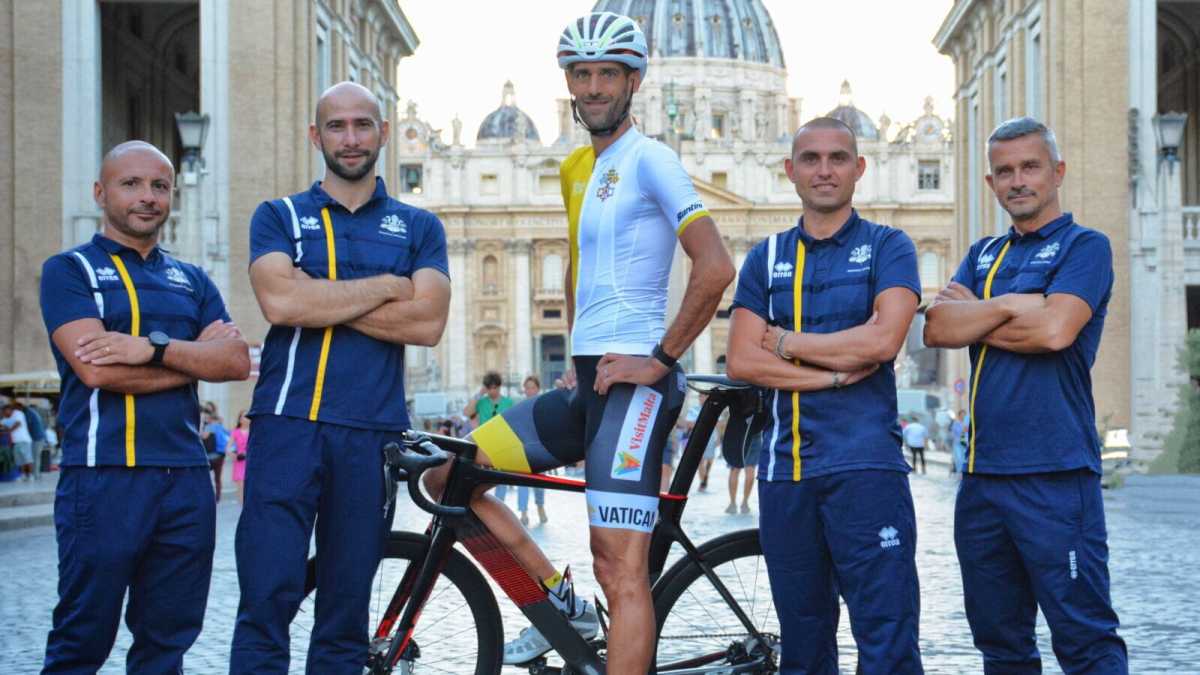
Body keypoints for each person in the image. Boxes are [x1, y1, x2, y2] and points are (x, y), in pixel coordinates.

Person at [425, 12, 735, 671]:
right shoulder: (574, 168)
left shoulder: (653, 159)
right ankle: (561, 606)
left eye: (607, 75)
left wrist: (660, 358)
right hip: (589, 382)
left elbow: (715, 267)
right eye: (582, 74)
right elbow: (576, 265)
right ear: (569, 82)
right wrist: (573, 355)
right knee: (449, 474)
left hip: (637, 385)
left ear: (633, 82)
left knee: (619, 564)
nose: (594, 87)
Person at [231, 81, 451, 674]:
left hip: (371, 433)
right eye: (336, 126)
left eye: (362, 125)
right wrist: (384, 286)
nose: (350, 138)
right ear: (315, 135)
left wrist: (317, 294)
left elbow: (428, 322)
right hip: (286, 425)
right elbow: (280, 305)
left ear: (382, 132)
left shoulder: (419, 226)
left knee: (345, 612)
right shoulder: (278, 216)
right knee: (266, 598)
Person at [924, 116, 1128, 673]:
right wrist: (1020, 304)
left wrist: (977, 313)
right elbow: (937, 329)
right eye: (1005, 171)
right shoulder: (983, 254)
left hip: (1056, 473)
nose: (1018, 180)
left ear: (1057, 172)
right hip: (983, 478)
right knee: (1000, 643)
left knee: (1085, 639)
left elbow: (1056, 331)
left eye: (1030, 167)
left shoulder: (1085, 246)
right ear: (991, 183)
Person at [38, 140, 250, 673]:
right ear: (100, 192)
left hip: (185, 478)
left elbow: (234, 363)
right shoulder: (70, 271)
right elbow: (97, 371)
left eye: (160, 186)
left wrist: (151, 349)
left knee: (167, 641)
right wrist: (192, 360)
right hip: (103, 475)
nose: (147, 197)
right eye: (131, 184)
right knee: (82, 639)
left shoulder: (192, 280)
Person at [725, 116, 924, 673]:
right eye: (810, 159)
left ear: (859, 169)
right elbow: (742, 359)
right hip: (785, 474)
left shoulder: (891, 245)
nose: (824, 169)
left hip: (867, 469)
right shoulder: (765, 256)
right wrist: (831, 373)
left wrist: (786, 341)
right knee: (804, 643)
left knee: (886, 635)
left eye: (837, 158)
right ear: (790, 171)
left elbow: (883, 340)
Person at [201, 404, 230, 501]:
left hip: (211, 455)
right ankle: (217, 497)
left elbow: (204, 436)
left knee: (207, 477)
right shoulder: (219, 425)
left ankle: (212, 497)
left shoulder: (209, 426)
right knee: (217, 477)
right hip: (220, 454)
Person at [1, 403, 33, 481]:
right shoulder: (8, 417)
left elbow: (18, 424)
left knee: (27, 459)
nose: (4, 413)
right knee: (19, 460)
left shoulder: (18, 413)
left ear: (8, 409)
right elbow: (2, 424)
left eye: (4, 411)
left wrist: (8, 430)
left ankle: (30, 475)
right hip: (16, 441)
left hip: (24, 440)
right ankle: (22, 475)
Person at [228, 411, 251, 505]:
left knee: (249, 486)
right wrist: (232, 454)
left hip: (250, 461)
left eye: (247, 417)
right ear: (240, 419)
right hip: (240, 461)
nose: (245, 419)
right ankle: (242, 508)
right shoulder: (235, 432)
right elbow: (228, 447)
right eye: (243, 417)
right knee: (241, 486)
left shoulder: (253, 431)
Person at [20, 402, 48, 477]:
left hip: (37, 438)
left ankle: (36, 474)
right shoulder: (31, 412)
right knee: (35, 456)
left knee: (35, 456)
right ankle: (36, 473)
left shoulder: (28, 413)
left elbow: (27, 426)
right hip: (39, 437)